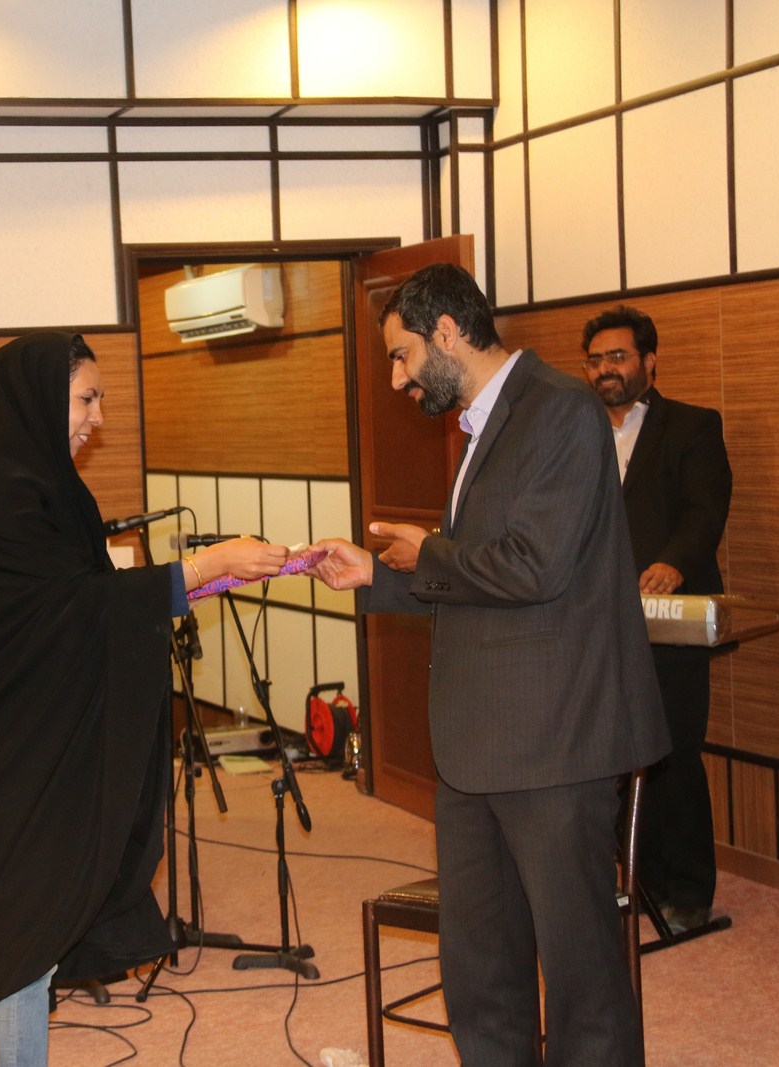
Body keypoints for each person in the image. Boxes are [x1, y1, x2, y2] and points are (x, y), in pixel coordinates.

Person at [0, 331, 288, 1067]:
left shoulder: (55, 489)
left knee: (15, 916)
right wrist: (202, 566)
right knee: (27, 924)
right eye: (86, 398)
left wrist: (214, 576)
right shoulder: (1, 495)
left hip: (51, 734)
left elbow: (90, 604)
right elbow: (65, 612)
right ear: (38, 400)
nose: (97, 417)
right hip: (3, 742)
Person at [306, 264, 669, 1065]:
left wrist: (429, 551)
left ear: (446, 332)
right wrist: (376, 576)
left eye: (401, 355)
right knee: (480, 973)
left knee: (580, 979)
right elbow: (477, 581)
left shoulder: (561, 408)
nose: (397, 379)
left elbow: (534, 566)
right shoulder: (481, 423)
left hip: (555, 742)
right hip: (478, 748)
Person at [581, 305, 732, 934]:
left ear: (649, 361)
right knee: (606, 757)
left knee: (672, 757)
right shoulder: (576, 429)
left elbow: (706, 509)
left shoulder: (692, 426)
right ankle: (634, 883)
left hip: (668, 621)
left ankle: (688, 894)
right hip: (593, 622)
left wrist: (674, 561)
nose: (605, 370)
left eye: (617, 357)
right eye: (594, 361)